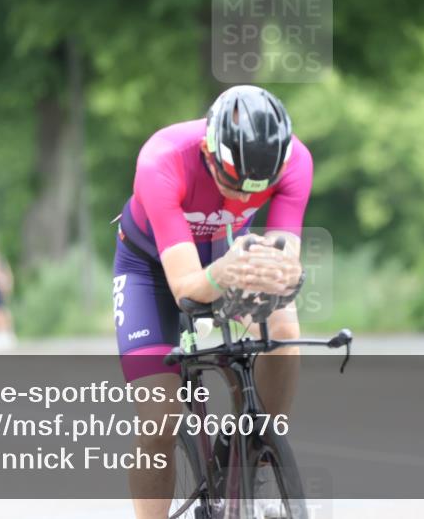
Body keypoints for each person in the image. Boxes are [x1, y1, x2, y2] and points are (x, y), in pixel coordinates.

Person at [112, 85, 311, 518]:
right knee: (158, 417)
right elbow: (185, 285)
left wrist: (281, 272)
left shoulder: (296, 160)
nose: (242, 198)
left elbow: (281, 255)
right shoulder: (162, 159)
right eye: (232, 182)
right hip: (151, 269)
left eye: (256, 190)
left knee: (283, 325)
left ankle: (257, 448)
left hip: (226, 253)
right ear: (209, 150)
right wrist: (223, 274)